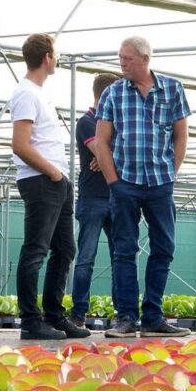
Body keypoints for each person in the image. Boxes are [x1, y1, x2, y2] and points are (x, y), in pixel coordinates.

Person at [94, 36, 193, 337]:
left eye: (127, 58)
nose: (122, 63)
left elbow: (181, 136)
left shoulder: (172, 89)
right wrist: (114, 182)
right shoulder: (113, 93)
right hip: (125, 182)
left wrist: (171, 173)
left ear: (145, 59)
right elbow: (101, 141)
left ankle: (153, 317)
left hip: (160, 183)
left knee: (164, 247)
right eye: (120, 57)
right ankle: (126, 317)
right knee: (124, 250)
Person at [9, 33, 88, 341]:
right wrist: (54, 174)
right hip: (41, 180)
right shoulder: (26, 94)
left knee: (65, 249)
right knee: (36, 249)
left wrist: (60, 178)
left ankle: (54, 316)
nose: (57, 59)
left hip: (56, 181)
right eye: (56, 55)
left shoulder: (39, 94)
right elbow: (20, 145)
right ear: (46, 58)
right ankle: (31, 320)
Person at [69, 73, 118, 327]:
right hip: (92, 198)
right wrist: (105, 153)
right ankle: (79, 313)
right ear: (106, 95)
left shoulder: (117, 123)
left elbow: (116, 150)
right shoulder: (87, 122)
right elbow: (99, 149)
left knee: (120, 258)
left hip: (116, 196)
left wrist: (106, 156)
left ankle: (123, 313)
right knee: (86, 258)